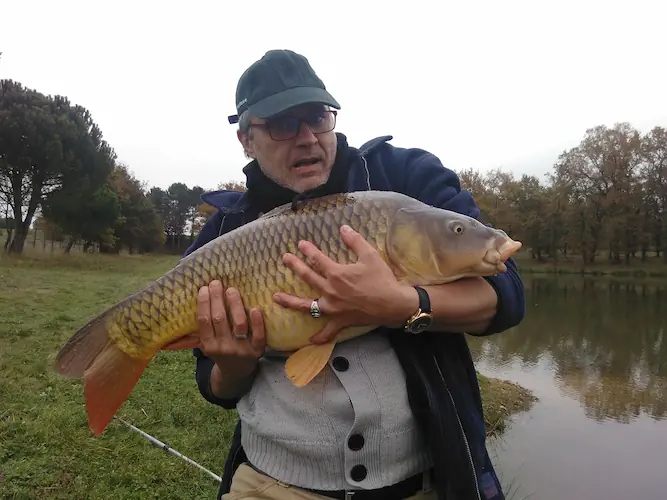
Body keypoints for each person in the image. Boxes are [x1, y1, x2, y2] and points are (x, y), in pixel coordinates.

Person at [184, 49, 525, 500]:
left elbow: (507, 295)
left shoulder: (405, 178)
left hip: (422, 482)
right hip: (273, 483)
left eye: (318, 118)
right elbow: (216, 386)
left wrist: (402, 306)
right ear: (246, 139)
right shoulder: (224, 233)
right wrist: (234, 362)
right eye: (284, 125)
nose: (307, 138)